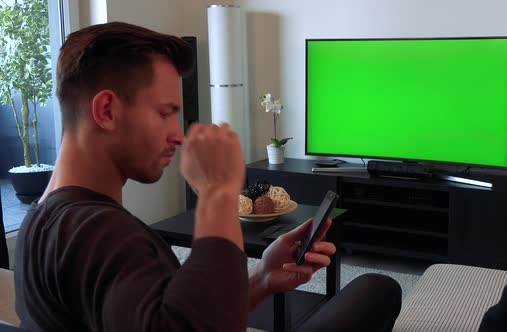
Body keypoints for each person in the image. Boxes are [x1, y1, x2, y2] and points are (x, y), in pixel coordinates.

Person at [13, 21, 401, 331]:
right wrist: (217, 193)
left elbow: (179, 314)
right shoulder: (98, 232)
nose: (178, 134)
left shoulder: (46, 217)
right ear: (107, 111)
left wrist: (262, 277)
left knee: (375, 289)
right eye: (165, 112)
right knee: (377, 288)